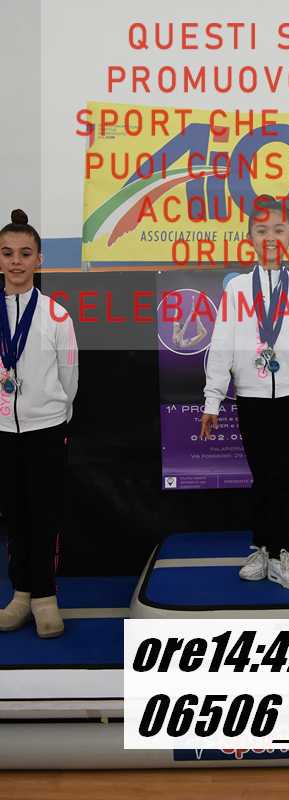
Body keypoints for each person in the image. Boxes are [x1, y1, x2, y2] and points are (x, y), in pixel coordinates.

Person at [200, 195, 289, 590]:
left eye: (278, 230)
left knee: (284, 476)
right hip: (250, 397)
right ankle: (262, 548)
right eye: (261, 230)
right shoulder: (236, 290)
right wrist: (213, 399)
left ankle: (282, 552)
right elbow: (221, 346)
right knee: (261, 476)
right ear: (249, 237)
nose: (270, 237)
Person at [0, 210, 78, 638]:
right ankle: (20, 595)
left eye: (25, 253)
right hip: (2, 432)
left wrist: (54, 412)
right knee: (14, 516)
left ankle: (45, 598)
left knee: (45, 515)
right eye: (8, 253)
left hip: (46, 429)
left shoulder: (56, 315)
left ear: (39, 260)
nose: (16, 261)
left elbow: (70, 377)